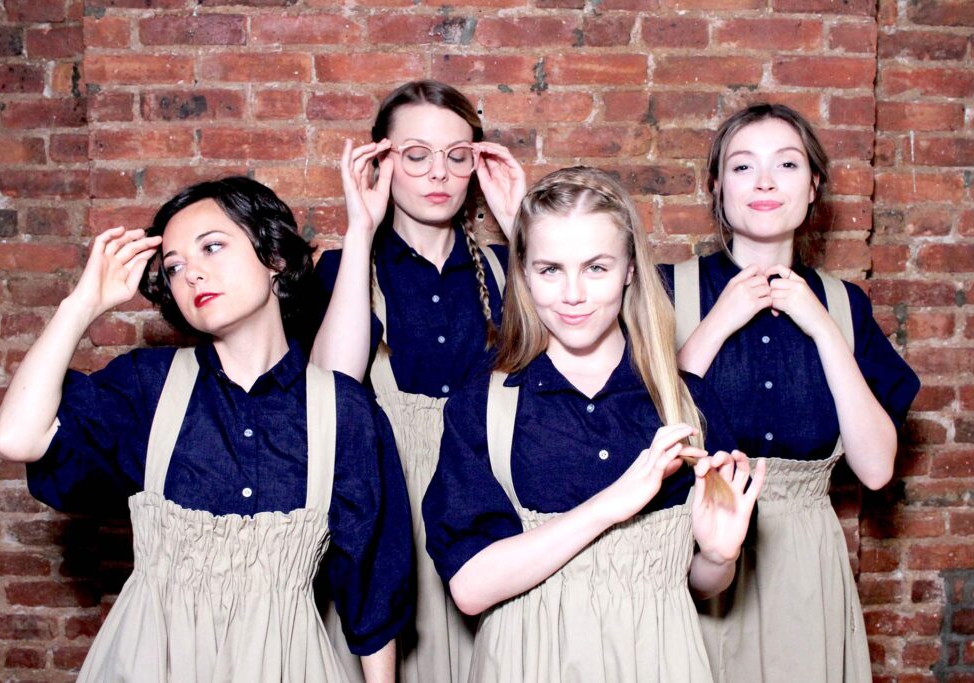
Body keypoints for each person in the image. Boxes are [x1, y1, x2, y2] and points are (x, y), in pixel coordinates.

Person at [0, 177, 413, 683]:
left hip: (287, 664)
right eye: (174, 267)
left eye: (212, 247)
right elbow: (15, 438)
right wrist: (80, 305)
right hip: (151, 661)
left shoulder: (345, 411)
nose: (192, 275)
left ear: (274, 257)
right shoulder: (146, 387)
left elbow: (373, 589)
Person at [423, 166, 765, 682]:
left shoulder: (688, 404)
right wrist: (612, 503)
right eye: (550, 269)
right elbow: (469, 588)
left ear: (630, 269)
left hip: (659, 659)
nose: (573, 294)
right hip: (526, 662)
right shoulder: (484, 405)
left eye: (597, 268)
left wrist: (719, 556)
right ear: (523, 272)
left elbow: (702, 585)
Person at [661, 103, 921, 682]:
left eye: (786, 164)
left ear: (813, 189)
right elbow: (644, 435)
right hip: (692, 552)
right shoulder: (667, 291)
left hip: (805, 565)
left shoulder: (844, 305)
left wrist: (822, 327)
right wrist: (717, 323)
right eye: (742, 166)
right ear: (717, 187)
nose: (765, 181)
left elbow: (876, 469)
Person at [311, 80, 526, 682]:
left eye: (457, 157)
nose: (439, 173)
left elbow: (559, 375)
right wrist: (360, 228)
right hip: (377, 505)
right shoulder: (343, 266)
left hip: (485, 509)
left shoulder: (510, 267)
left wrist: (522, 229)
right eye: (416, 155)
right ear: (382, 161)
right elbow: (333, 388)